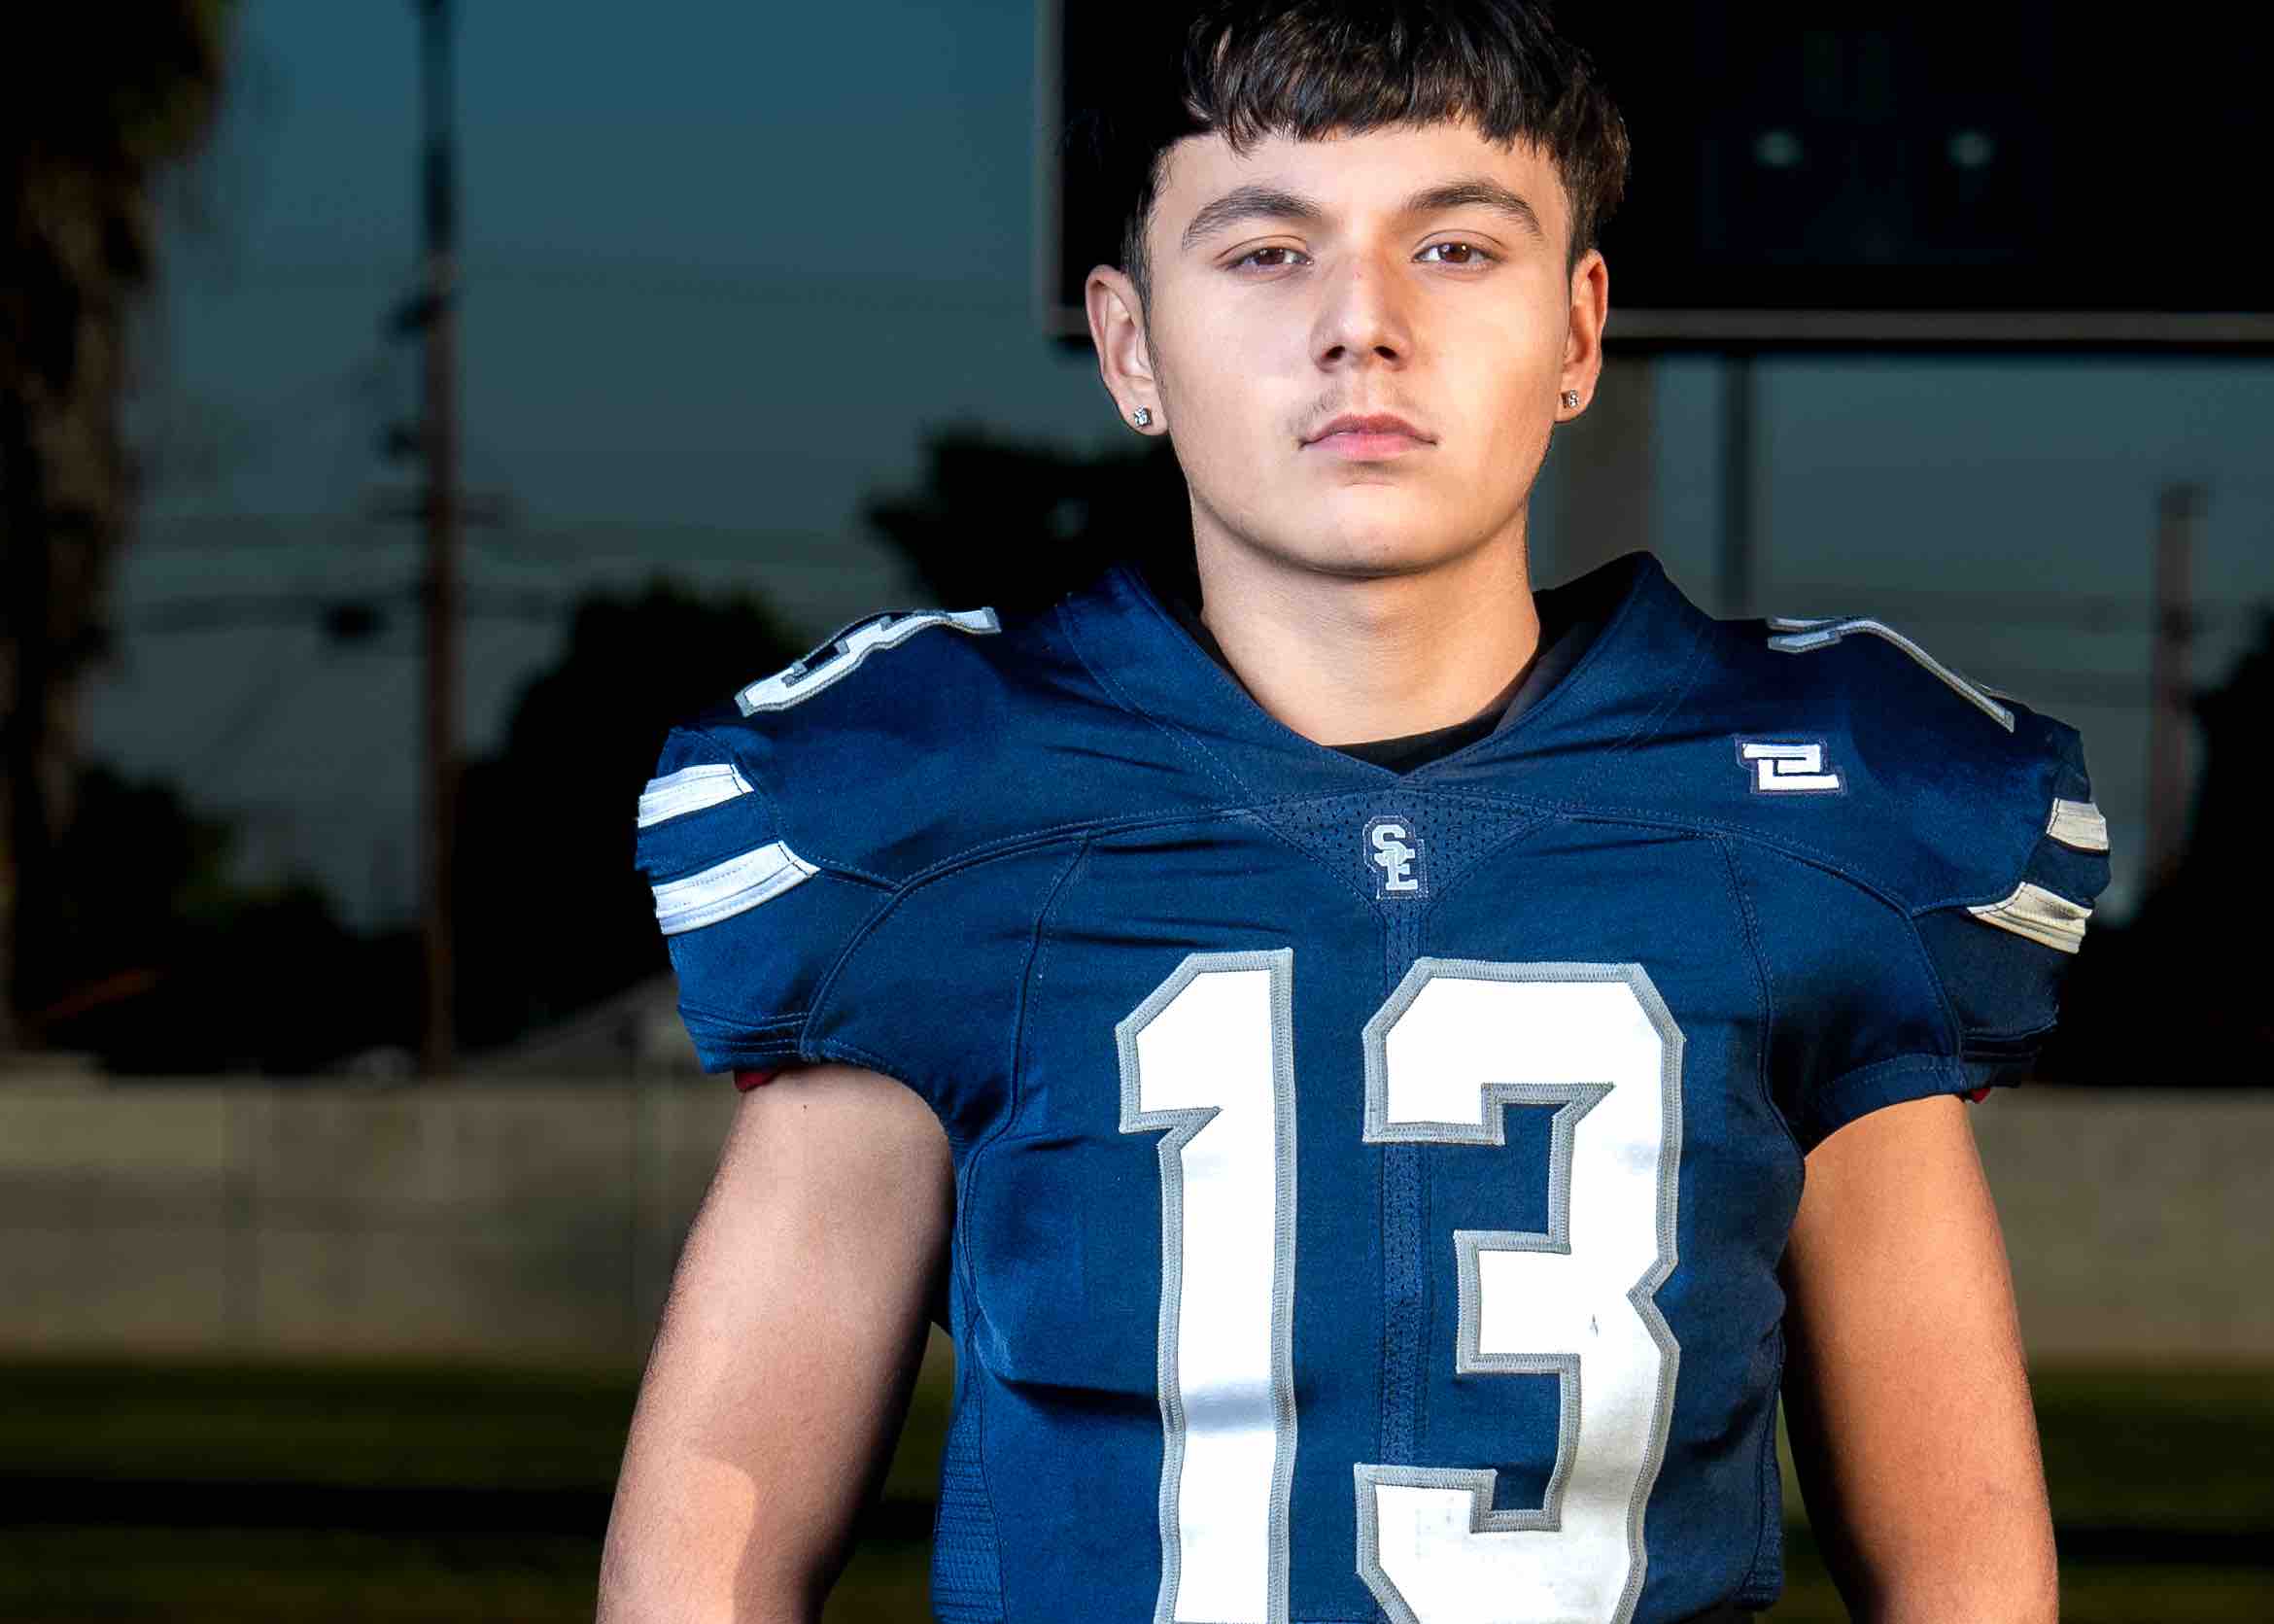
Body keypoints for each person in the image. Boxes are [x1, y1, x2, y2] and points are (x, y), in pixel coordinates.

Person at [598, 3, 2103, 1620]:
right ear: (1130, 345)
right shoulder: (937, 810)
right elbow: (710, 1550)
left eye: (1454, 249)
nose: (1361, 326)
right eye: (1266, 253)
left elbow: (1959, 1559)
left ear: (1576, 330)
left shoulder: (1814, 812)